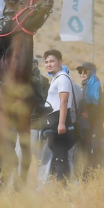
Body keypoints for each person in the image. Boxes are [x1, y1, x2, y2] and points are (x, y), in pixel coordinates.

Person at [43, 49, 76, 182]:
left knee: (60, 158)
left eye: (52, 61)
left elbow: (64, 101)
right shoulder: (56, 78)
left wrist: (61, 123)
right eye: (46, 62)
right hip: (53, 120)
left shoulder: (63, 78)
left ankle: (63, 189)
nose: (49, 64)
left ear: (60, 62)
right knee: (57, 156)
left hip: (59, 120)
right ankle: (58, 189)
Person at [76, 62, 102, 172]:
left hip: (91, 126)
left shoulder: (94, 85)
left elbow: (98, 107)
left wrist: (88, 113)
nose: (82, 74)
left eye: (85, 71)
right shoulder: (86, 85)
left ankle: (88, 176)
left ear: (92, 72)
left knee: (89, 151)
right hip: (85, 125)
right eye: (80, 72)